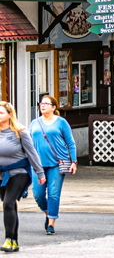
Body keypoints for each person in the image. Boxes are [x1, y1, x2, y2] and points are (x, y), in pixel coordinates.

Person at [0, 101, 46, 253]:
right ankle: (14, 241)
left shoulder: (20, 132)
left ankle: (8, 239)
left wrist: (40, 173)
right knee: (10, 206)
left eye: (1, 113)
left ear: (10, 115)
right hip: (2, 174)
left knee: (8, 203)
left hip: (19, 172)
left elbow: (32, 153)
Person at [29, 94, 76, 235]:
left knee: (53, 194)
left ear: (53, 107)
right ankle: (48, 212)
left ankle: (51, 224)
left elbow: (70, 143)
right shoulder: (34, 123)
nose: (42, 105)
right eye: (41, 103)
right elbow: (28, 145)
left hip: (57, 163)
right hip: (38, 165)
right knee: (38, 194)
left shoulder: (61, 122)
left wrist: (73, 162)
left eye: (46, 103)